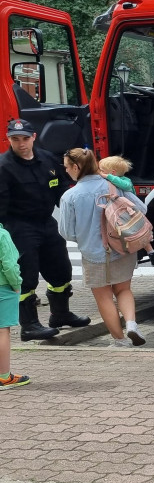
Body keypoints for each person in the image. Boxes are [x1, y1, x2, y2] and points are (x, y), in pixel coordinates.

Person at [0, 119, 90, 340]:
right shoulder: (3, 167)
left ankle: (60, 314)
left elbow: (61, 191)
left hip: (47, 223)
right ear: (9, 139)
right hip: (18, 226)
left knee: (61, 269)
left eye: (24, 138)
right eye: (15, 139)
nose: (21, 144)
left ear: (33, 137)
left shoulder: (48, 159)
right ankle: (29, 325)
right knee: (26, 276)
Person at [58, 149, 147, 348]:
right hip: (122, 247)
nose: (65, 171)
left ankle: (120, 341)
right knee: (124, 290)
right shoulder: (113, 185)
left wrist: (84, 237)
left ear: (76, 167)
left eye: (66, 167)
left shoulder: (69, 196)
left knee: (104, 296)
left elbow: (66, 232)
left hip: (93, 253)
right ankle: (132, 324)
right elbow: (141, 209)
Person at [97, 155, 154, 266]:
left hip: (132, 212)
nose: (100, 173)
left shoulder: (125, 181)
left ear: (112, 173)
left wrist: (107, 176)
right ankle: (139, 256)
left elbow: (125, 186)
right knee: (131, 235)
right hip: (123, 214)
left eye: (102, 171)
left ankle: (151, 253)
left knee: (140, 234)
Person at [0, 221, 28, 390]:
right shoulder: (2, 235)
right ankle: (4, 376)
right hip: (3, 288)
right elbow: (9, 265)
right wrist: (16, 284)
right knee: (2, 330)